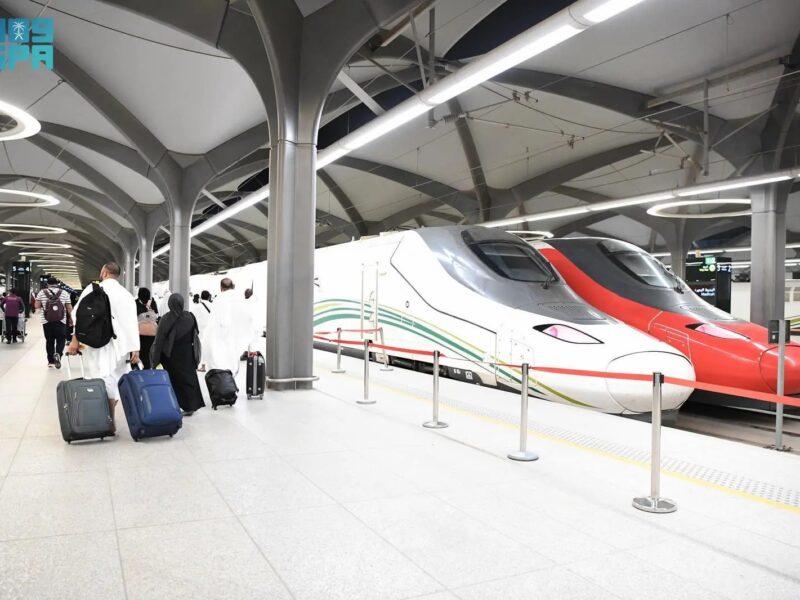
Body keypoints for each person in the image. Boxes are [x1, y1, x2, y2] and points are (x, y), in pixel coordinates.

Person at [67, 262, 140, 433]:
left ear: (104, 272)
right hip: (122, 346)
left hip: (98, 343)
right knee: (115, 380)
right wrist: (135, 348)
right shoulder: (127, 295)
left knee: (103, 380)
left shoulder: (93, 289)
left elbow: (78, 315)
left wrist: (75, 340)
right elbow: (132, 323)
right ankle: (108, 417)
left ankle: (108, 421)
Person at [151, 293, 205, 416]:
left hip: (172, 355)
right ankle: (191, 405)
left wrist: (155, 361)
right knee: (189, 379)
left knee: (175, 381)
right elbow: (195, 333)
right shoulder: (190, 316)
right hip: (188, 353)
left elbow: (159, 341)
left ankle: (177, 405)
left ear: (169, 304)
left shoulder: (166, 319)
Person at [202, 278, 251, 374]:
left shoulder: (219, 300)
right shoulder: (240, 299)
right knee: (233, 368)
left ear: (221, 288)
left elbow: (212, 325)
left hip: (222, 342)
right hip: (236, 341)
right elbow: (248, 319)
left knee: (223, 370)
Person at [35, 278, 72, 368]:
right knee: (61, 339)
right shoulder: (64, 293)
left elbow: (37, 305)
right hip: (61, 320)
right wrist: (71, 318)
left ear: (47, 284)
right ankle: (58, 353)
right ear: (57, 284)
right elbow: (69, 307)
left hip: (46, 320)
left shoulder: (42, 292)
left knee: (49, 341)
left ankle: (51, 361)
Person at [136, 287, 159, 370]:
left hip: (139, 334)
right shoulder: (152, 302)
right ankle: (148, 368)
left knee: (142, 353)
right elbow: (157, 314)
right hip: (152, 334)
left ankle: (142, 369)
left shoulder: (136, 303)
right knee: (150, 352)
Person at [190, 290, 212, 371]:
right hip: (210, 329)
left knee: (201, 347)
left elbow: (192, 316)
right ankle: (210, 365)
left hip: (200, 330)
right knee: (209, 347)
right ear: (209, 297)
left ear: (201, 297)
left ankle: (203, 365)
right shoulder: (212, 306)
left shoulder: (197, 307)